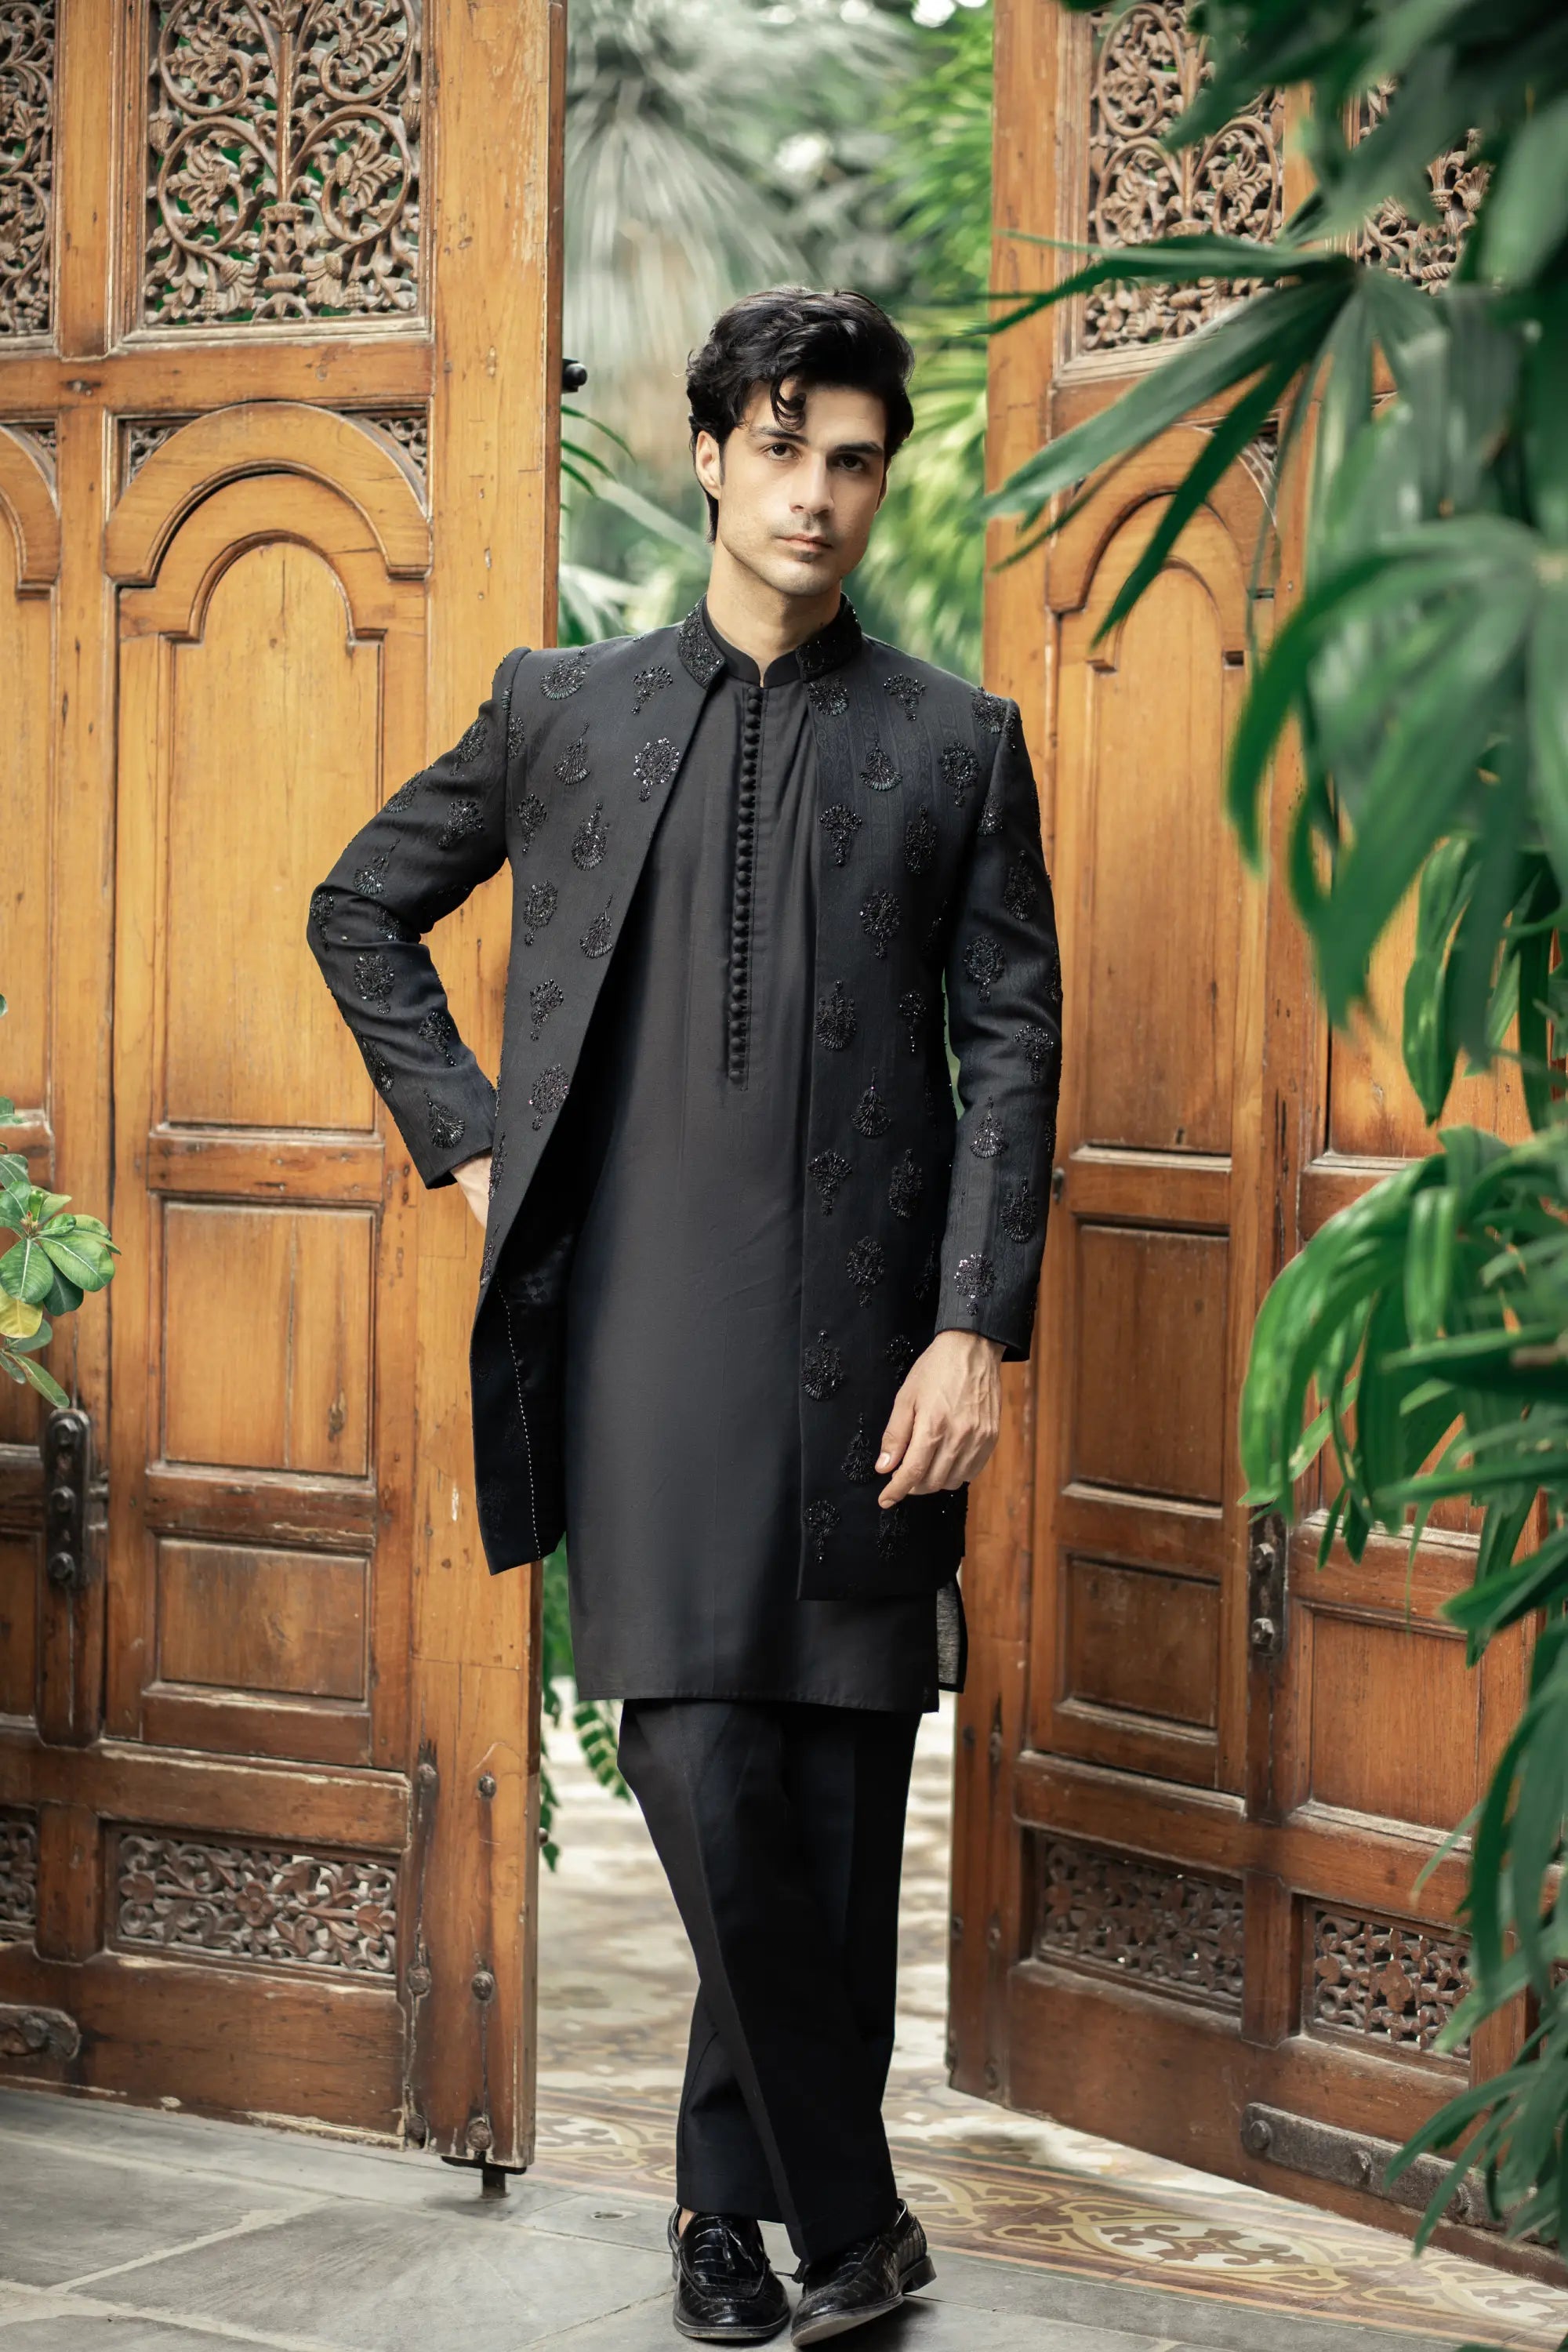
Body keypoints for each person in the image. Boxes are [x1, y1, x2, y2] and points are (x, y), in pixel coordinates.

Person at [308, 286, 1062, 2347]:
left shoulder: (956, 742)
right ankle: (860, 2213)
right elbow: (360, 906)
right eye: (784, 448)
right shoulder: (565, 709)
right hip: (642, 1332)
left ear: (879, 487)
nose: (818, 493)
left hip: (874, 1349)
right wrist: (466, 1138)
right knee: (703, 1763)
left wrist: (974, 1329)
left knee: (831, 1809)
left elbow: (1012, 1042)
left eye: (855, 461)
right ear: (712, 455)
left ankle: (728, 2218)